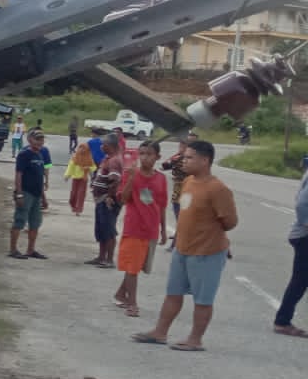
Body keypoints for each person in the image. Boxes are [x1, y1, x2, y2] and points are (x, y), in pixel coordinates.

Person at [133, 140, 236, 351]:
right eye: (184, 157)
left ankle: (195, 339)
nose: (184, 161)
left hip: (207, 252)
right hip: (183, 249)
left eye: (189, 157)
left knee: (203, 299)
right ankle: (160, 332)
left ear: (205, 160)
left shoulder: (218, 189)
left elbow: (230, 222)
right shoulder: (189, 182)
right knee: (173, 292)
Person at [113, 141, 169, 318]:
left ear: (157, 157)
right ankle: (132, 303)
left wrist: (163, 229)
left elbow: (161, 205)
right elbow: (123, 198)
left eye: (149, 154)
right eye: (142, 153)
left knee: (136, 266)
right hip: (134, 227)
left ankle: (121, 294)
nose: (145, 157)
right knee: (132, 267)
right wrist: (130, 178)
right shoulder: (131, 174)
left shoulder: (160, 178)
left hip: (150, 229)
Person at [272, 165, 308, 338]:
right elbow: (302, 203)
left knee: (300, 280)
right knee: (300, 280)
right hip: (304, 236)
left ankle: (282, 320)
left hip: (301, 234)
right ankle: (282, 321)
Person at [9, 129, 50, 259]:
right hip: (26, 193)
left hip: (37, 194)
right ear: (30, 139)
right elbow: (19, 174)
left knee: (35, 222)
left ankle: (30, 250)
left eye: (41, 139)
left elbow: (40, 178)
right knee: (20, 220)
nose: (40, 142)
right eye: (37, 139)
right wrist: (19, 194)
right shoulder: (24, 154)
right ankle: (13, 250)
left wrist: (43, 197)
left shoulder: (40, 154)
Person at [87, 133, 125, 267]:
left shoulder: (114, 160)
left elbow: (115, 180)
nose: (101, 147)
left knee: (108, 229)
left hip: (107, 200)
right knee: (102, 229)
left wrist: (109, 196)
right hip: (101, 199)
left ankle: (109, 259)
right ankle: (101, 257)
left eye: (104, 145)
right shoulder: (108, 159)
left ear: (110, 146)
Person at [64, 142, 96, 215]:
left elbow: (94, 167)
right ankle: (73, 205)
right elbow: (70, 167)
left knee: (81, 194)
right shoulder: (75, 157)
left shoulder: (89, 158)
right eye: (80, 147)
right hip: (75, 178)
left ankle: (78, 209)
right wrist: (67, 176)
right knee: (73, 194)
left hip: (83, 179)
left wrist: (88, 167)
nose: (82, 150)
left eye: (84, 148)